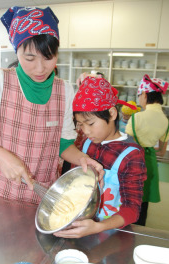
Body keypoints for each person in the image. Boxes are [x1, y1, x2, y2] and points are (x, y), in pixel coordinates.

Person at [0, 6, 104, 203]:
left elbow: (62, 143)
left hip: (41, 194)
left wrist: (82, 159)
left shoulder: (65, 91)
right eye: (30, 58)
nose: (40, 68)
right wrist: (1, 156)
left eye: (49, 57)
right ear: (17, 52)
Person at [54, 76, 147, 239]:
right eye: (80, 124)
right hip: (82, 226)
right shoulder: (86, 143)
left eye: (90, 124)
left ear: (111, 113)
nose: (86, 131)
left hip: (112, 235)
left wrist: (97, 227)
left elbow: (132, 209)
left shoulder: (132, 155)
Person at [125, 74, 169, 225]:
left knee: (129, 197)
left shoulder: (136, 118)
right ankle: (140, 229)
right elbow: (161, 151)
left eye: (139, 95)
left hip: (133, 162)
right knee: (144, 202)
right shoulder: (165, 120)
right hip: (149, 162)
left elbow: (125, 145)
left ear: (144, 94)